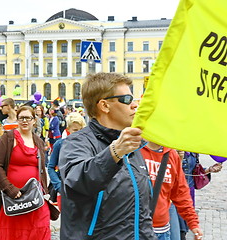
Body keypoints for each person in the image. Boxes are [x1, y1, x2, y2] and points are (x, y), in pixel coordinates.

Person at [59, 72, 156, 239]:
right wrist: (114, 152)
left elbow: (142, 213)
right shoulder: (76, 143)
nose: (134, 105)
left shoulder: (132, 146)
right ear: (104, 106)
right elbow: (76, 181)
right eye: (127, 99)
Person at [0, 105, 51, 240]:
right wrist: (9, 189)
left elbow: (41, 170)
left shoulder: (38, 142)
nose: (24, 121)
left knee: (39, 230)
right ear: (17, 120)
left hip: (35, 199)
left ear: (34, 120)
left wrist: (45, 193)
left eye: (28, 118)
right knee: (13, 234)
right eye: (21, 118)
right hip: (12, 200)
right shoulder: (7, 139)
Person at [140, 142, 203, 240]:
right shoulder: (133, 151)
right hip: (135, 228)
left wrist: (193, 222)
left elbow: (180, 192)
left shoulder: (171, 155)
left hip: (161, 230)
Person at [177, 152, 222, 240]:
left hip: (189, 193)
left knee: (185, 226)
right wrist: (179, 158)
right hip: (176, 194)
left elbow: (193, 172)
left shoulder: (193, 152)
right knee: (179, 229)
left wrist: (209, 169)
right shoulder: (174, 150)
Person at [47, 112, 86, 209]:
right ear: (68, 130)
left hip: (84, 190)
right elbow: (51, 167)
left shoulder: (87, 144)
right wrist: (58, 186)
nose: (79, 132)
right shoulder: (60, 145)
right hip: (65, 190)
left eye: (81, 129)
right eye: (75, 130)